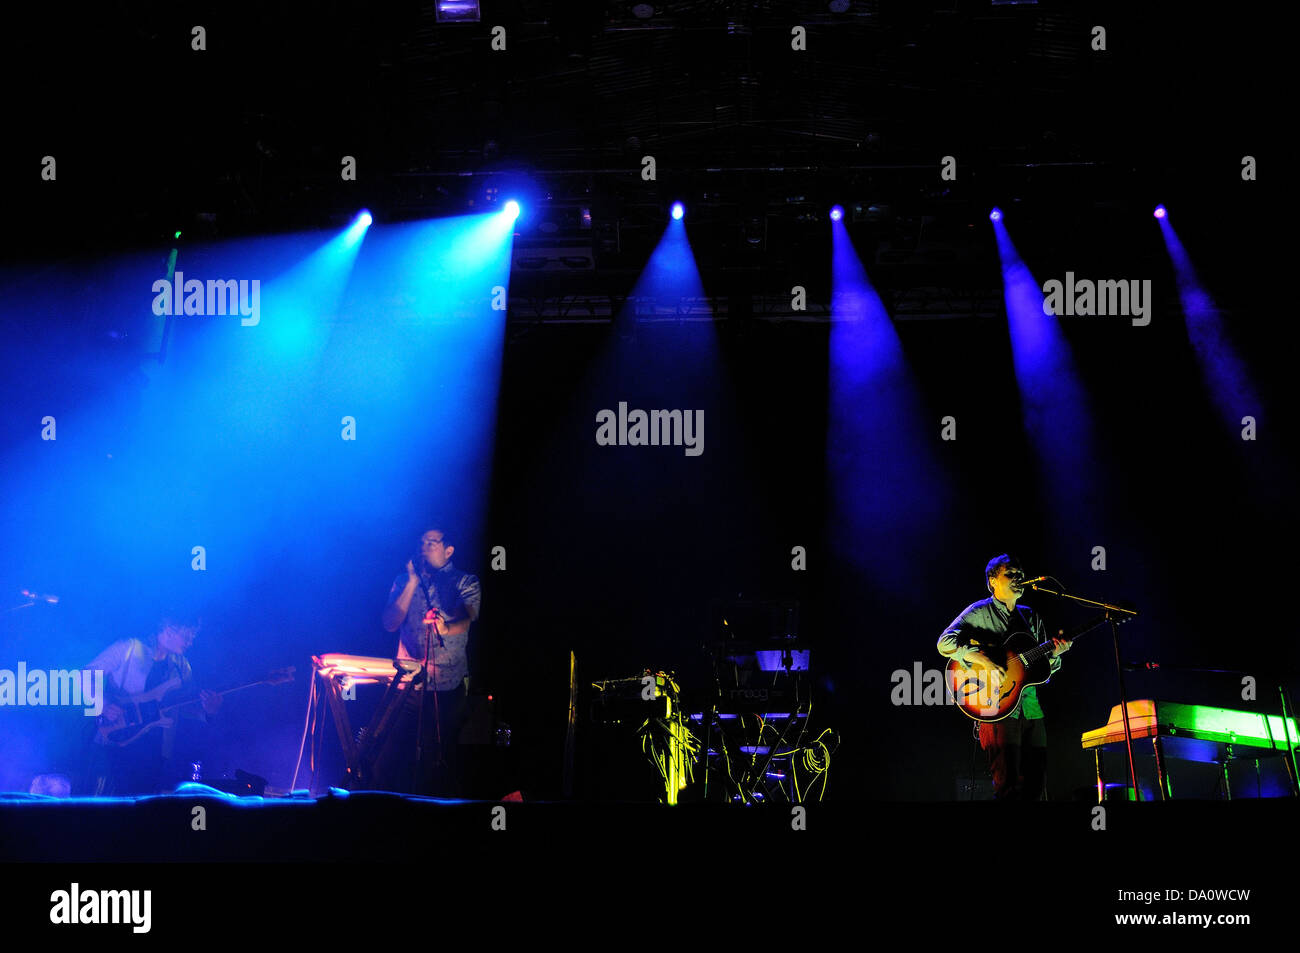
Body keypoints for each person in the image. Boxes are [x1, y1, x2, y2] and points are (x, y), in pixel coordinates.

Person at [937, 554, 1070, 800]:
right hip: (995, 706)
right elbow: (944, 643)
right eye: (1011, 574)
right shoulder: (978, 611)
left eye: (1020, 574)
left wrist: (1054, 655)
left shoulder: (1030, 616)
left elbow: (1042, 671)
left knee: (1037, 786)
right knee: (1008, 787)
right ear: (992, 581)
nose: (1019, 578)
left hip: (1031, 708)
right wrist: (981, 658)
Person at [374, 526, 481, 795]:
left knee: (436, 756)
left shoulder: (464, 581)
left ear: (449, 550)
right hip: (406, 684)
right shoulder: (402, 580)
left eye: (432, 542)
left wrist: (446, 627)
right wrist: (411, 582)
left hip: (446, 687)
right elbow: (389, 623)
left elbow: (467, 617)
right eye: (422, 542)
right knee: (388, 751)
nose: (424, 547)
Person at [80, 616, 221, 795]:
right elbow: (85, 675)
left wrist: (208, 710)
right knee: (103, 809)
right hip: (114, 741)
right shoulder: (129, 647)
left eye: (193, 637)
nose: (190, 643)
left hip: (155, 752)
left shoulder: (182, 666)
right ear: (169, 630)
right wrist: (104, 704)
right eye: (187, 636)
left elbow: (185, 706)